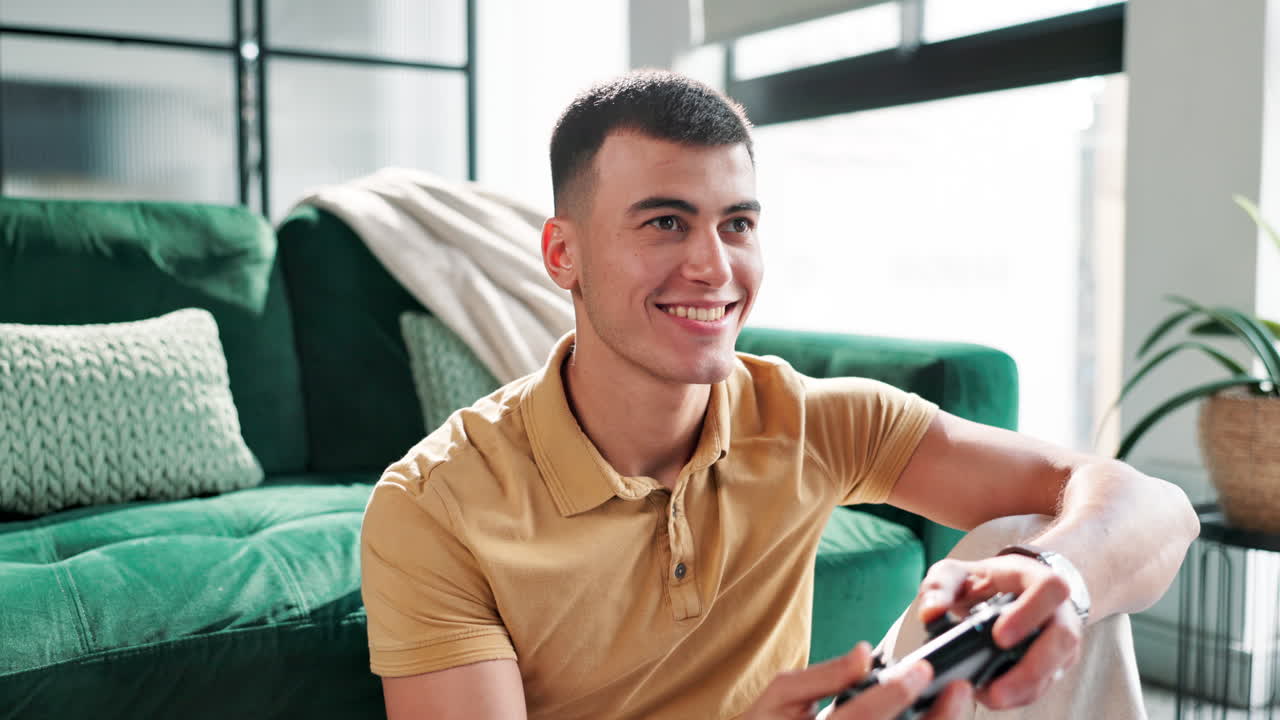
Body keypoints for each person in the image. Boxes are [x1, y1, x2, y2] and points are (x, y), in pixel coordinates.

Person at [359, 70, 1199, 720]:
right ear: (561, 254)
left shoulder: (808, 419)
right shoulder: (434, 507)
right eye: (664, 222)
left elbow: (1152, 504)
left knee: (1035, 559)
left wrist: (1060, 579)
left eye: (737, 224)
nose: (714, 268)